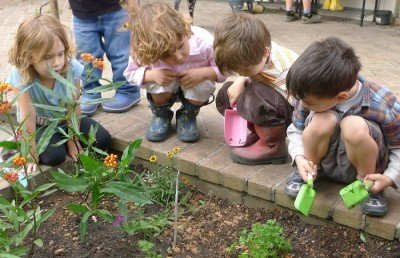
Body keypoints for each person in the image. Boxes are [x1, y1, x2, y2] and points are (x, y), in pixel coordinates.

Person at [284, 37, 400, 217]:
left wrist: (389, 177)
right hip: (324, 163)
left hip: (365, 170)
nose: (304, 106)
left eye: (309, 104)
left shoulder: (381, 101)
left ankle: (367, 187)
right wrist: (299, 157)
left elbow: (398, 146)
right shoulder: (309, 93)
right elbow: (296, 129)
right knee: (323, 120)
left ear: (341, 97)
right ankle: (310, 170)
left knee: (353, 125)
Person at [7, 14, 112, 166]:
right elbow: (27, 117)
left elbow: (73, 106)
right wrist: (30, 154)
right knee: (54, 157)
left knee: (102, 139)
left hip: (67, 121)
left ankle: (62, 143)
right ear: (28, 57)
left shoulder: (71, 67)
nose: (57, 62)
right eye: (48, 57)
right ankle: (20, 143)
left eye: (60, 54)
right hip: (40, 126)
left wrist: (73, 139)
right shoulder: (20, 76)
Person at [124, 3, 226, 142]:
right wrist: (151, 75)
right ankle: (161, 115)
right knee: (154, 80)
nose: (178, 57)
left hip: (192, 86)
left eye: (180, 46)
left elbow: (224, 69)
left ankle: (187, 115)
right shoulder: (143, 50)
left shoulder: (204, 42)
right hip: (165, 87)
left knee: (204, 82)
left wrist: (204, 73)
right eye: (166, 55)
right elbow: (130, 73)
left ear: (185, 31)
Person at [214, 13, 298, 165]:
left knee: (255, 94)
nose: (241, 73)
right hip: (274, 103)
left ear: (265, 53)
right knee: (228, 91)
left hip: (295, 114)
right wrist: (242, 79)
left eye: (245, 70)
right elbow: (250, 75)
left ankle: (272, 145)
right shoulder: (257, 52)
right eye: (238, 71)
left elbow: (303, 105)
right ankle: (259, 132)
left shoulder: (285, 70)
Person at [68, 0, 141, 116]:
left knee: (121, 54)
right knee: (87, 57)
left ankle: (127, 90)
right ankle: (91, 91)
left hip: (118, 8)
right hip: (81, 11)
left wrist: (133, 7)